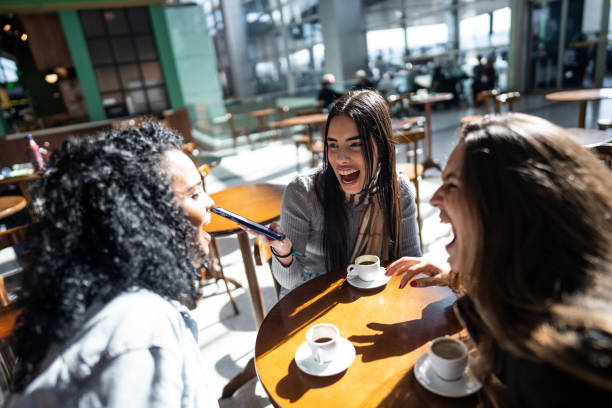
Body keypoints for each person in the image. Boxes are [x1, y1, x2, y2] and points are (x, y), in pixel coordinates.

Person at [386, 113, 612, 406]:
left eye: (452, 184)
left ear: (509, 208)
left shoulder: (556, 362)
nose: (435, 199)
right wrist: (468, 274)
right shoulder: (536, 292)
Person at [9, 122, 218, 407]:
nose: (210, 202)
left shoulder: (84, 297)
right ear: (143, 215)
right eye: (194, 194)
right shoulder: (139, 334)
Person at [243, 90, 421, 295]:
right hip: (313, 298)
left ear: (381, 145)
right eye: (332, 145)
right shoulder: (303, 193)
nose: (340, 158)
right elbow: (291, 283)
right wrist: (283, 254)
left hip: (374, 300)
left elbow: (410, 263)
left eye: (355, 145)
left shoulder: (398, 189)